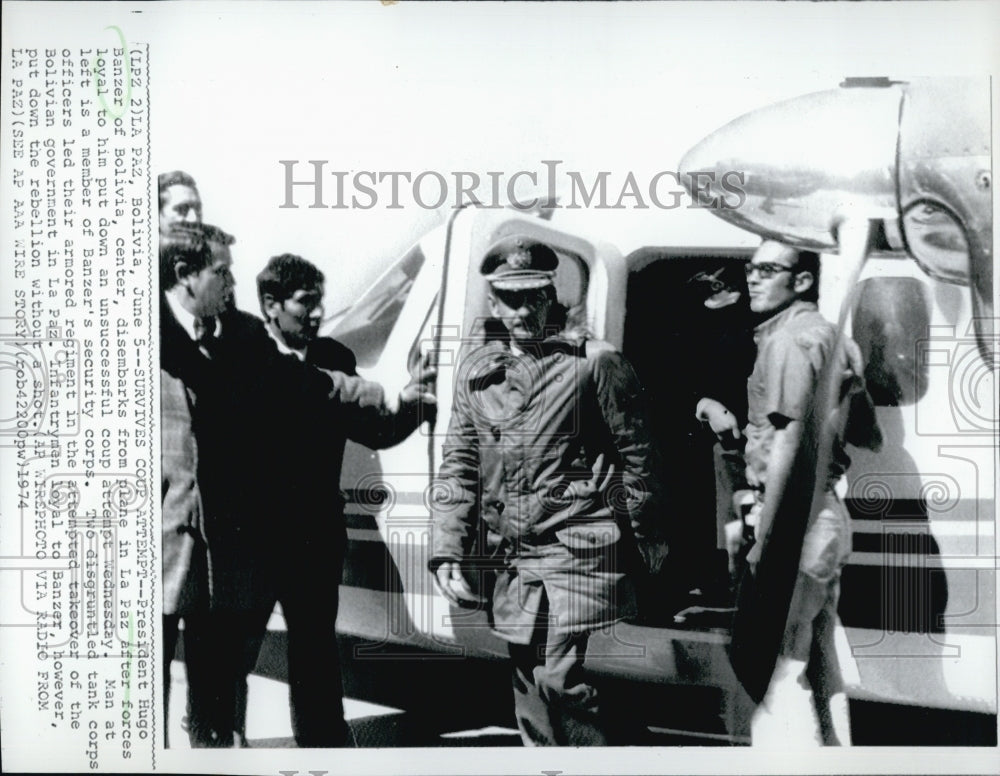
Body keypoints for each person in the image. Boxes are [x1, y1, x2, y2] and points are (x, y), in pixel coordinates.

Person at [429, 236, 667, 746]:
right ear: (493, 303)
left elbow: (639, 454)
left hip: (574, 547)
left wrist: (648, 539)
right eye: (510, 299)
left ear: (550, 295)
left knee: (558, 679)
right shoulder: (478, 377)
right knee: (527, 684)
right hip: (513, 554)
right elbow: (459, 465)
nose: (523, 310)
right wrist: (446, 547)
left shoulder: (593, 362)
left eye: (534, 296)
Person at [247, 253, 434, 747]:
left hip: (313, 534)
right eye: (305, 303)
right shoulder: (245, 356)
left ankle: (325, 750)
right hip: (249, 538)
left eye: (320, 303)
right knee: (233, 654)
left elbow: (375, 428)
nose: (316, 314)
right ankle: (219, 744)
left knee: (314, 653)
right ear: (271, 305)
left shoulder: (334, 356)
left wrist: (417, 401)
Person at [711, 240, 881, 746]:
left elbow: (787, 442)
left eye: (767, 270)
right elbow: (872, 435)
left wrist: (769, 533)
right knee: (817, 662)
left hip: (795, 519)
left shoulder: (787, 343)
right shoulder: (834, 340)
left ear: (802, 281)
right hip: (826, 517)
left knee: (776, 673)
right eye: (750, 268)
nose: (752, 278)